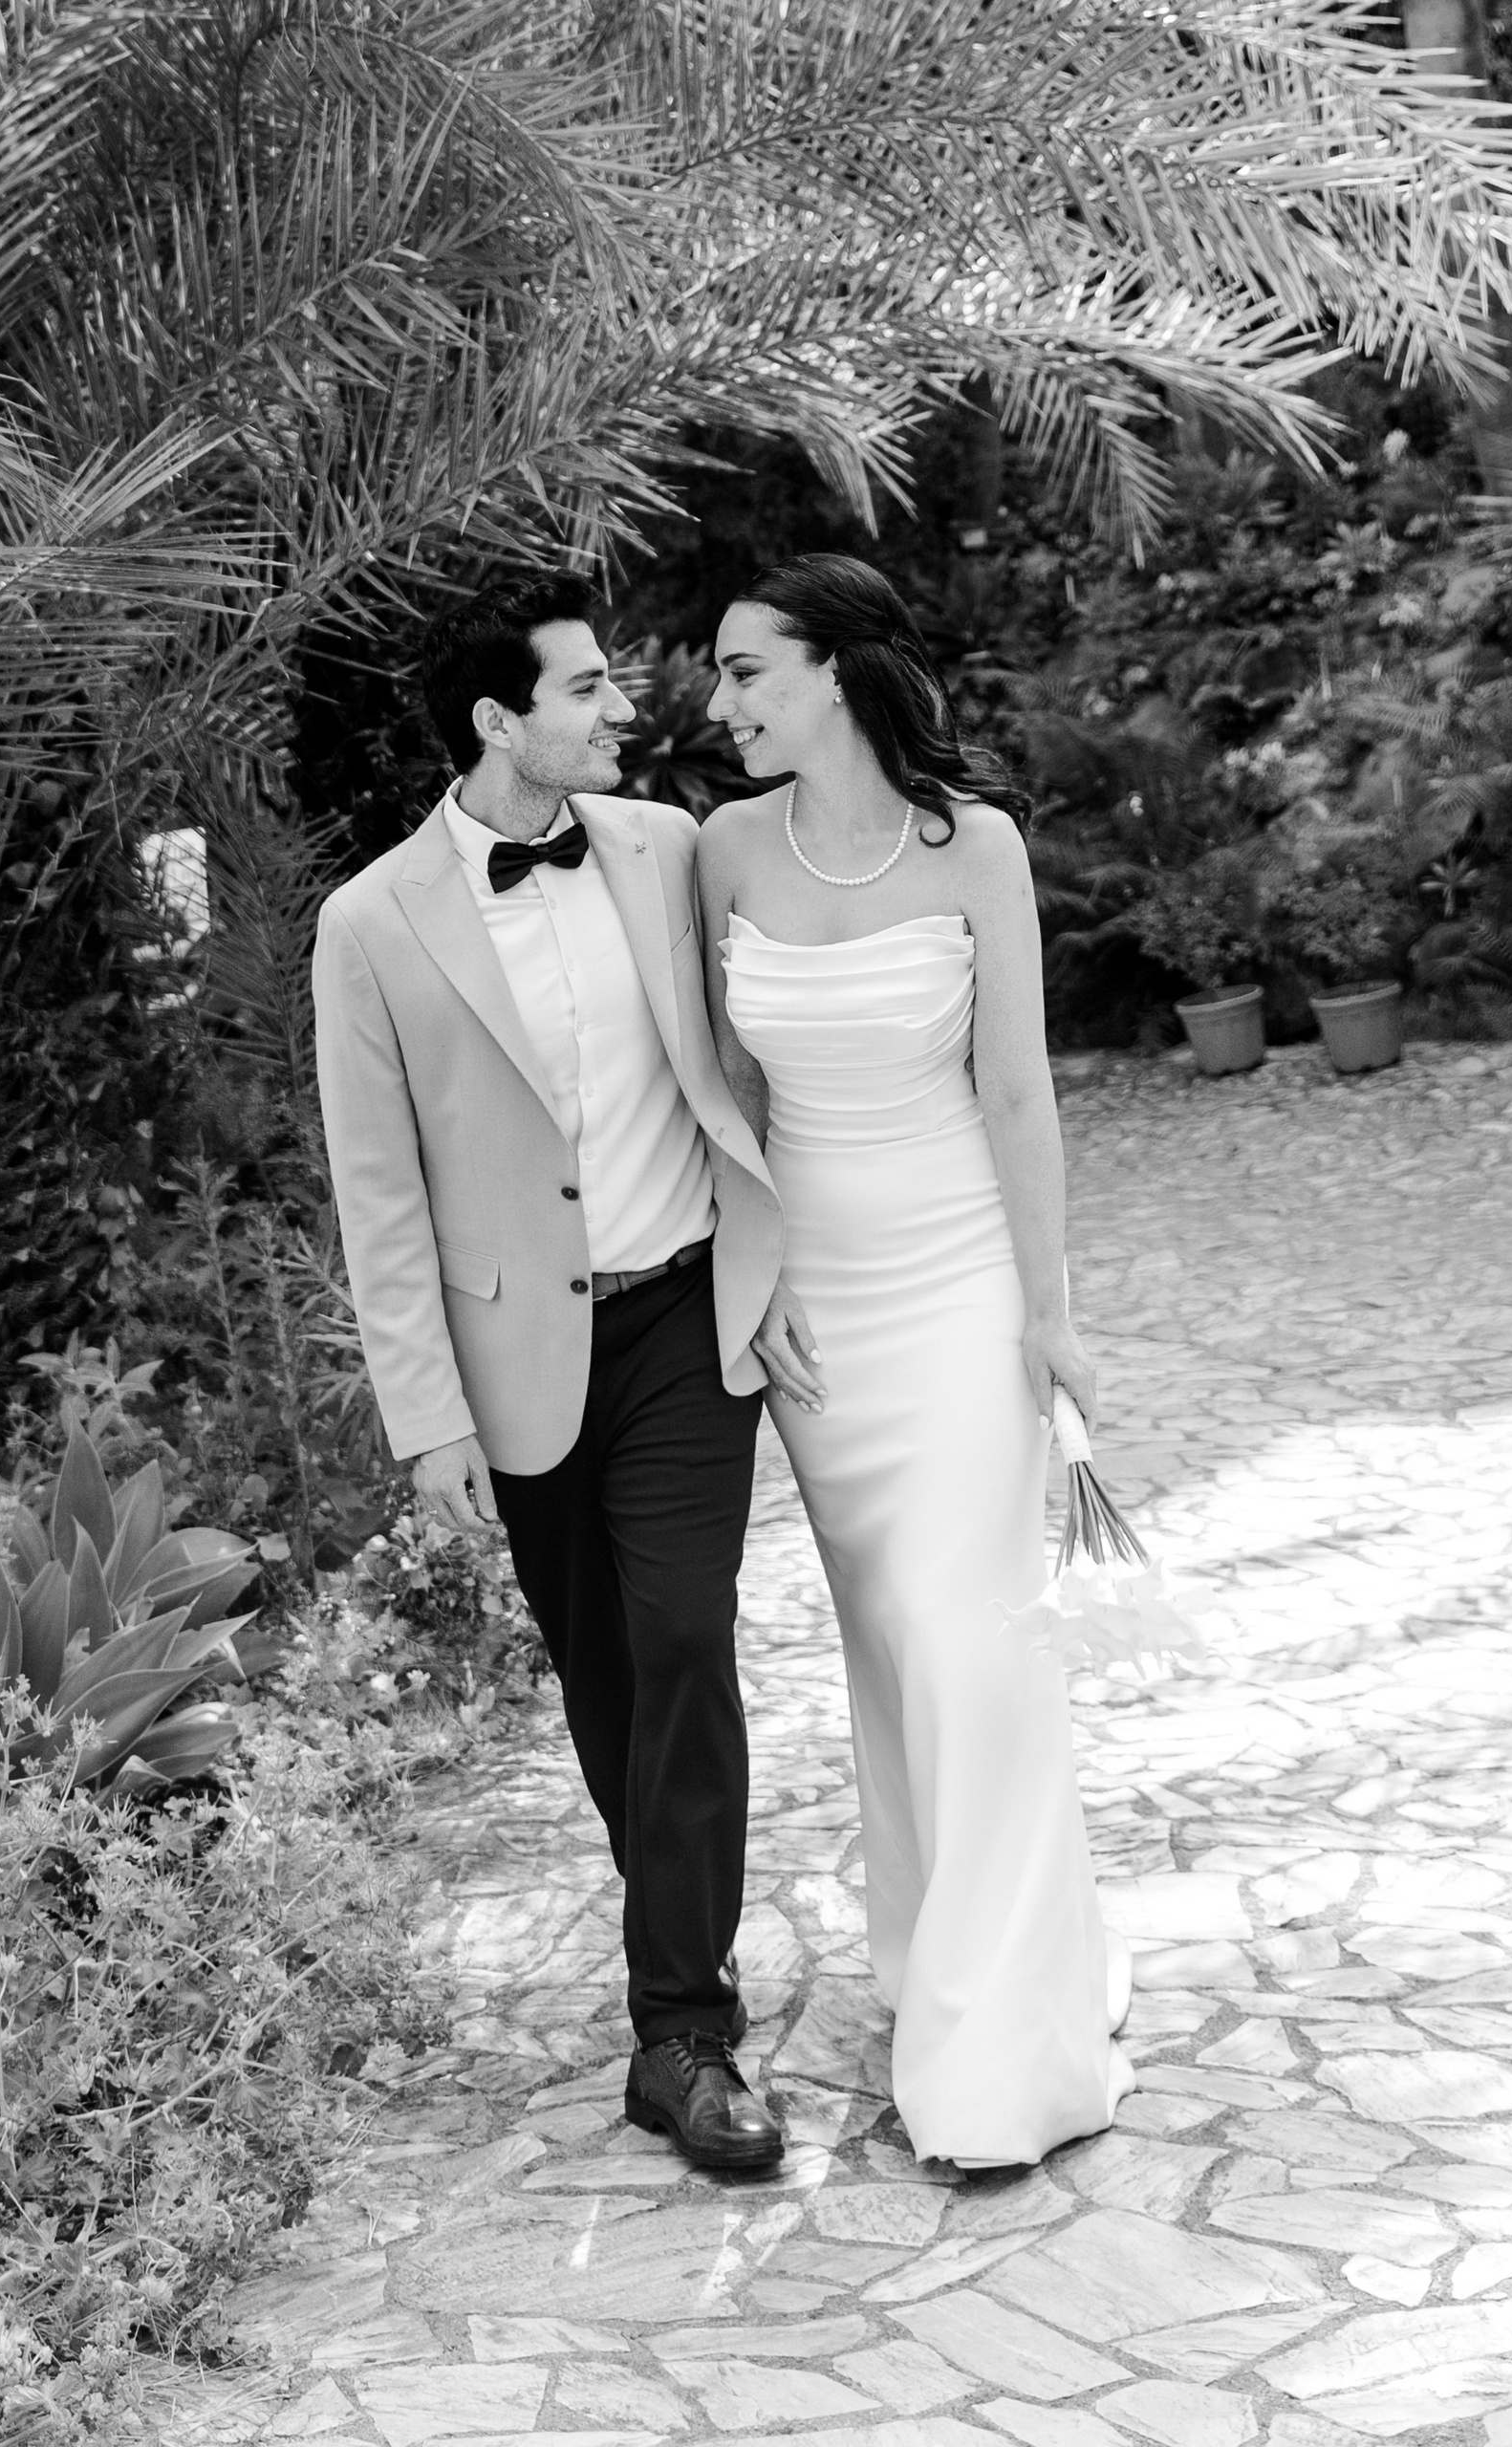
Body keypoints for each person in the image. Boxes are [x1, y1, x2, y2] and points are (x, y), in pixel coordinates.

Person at [313, 572, 793, 2170]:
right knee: (604, 1681)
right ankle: (677, 1969)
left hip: (679, 1322)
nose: (623, 708)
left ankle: (687, 2034)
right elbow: (377, 1191)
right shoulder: (371, 925)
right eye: (585, 689)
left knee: (682, 1633)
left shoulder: (664, 850)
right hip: (520, 1353)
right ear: (496, 723)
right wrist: (423, 1409)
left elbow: (768, 1033)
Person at [697, 552, 1134, 2170]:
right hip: (820, 1313)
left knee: (973, 1640)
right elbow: (723, 1090)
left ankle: (1001, 2049)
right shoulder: (726, 851)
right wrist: (756, 1278)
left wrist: (1052, 1309)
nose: (721, 703)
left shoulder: (980, 850)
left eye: (748, 670)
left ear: (834, 671)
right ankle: (937, 1964)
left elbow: (1018, 1092)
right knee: (890, 1651)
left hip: (955, 1288)